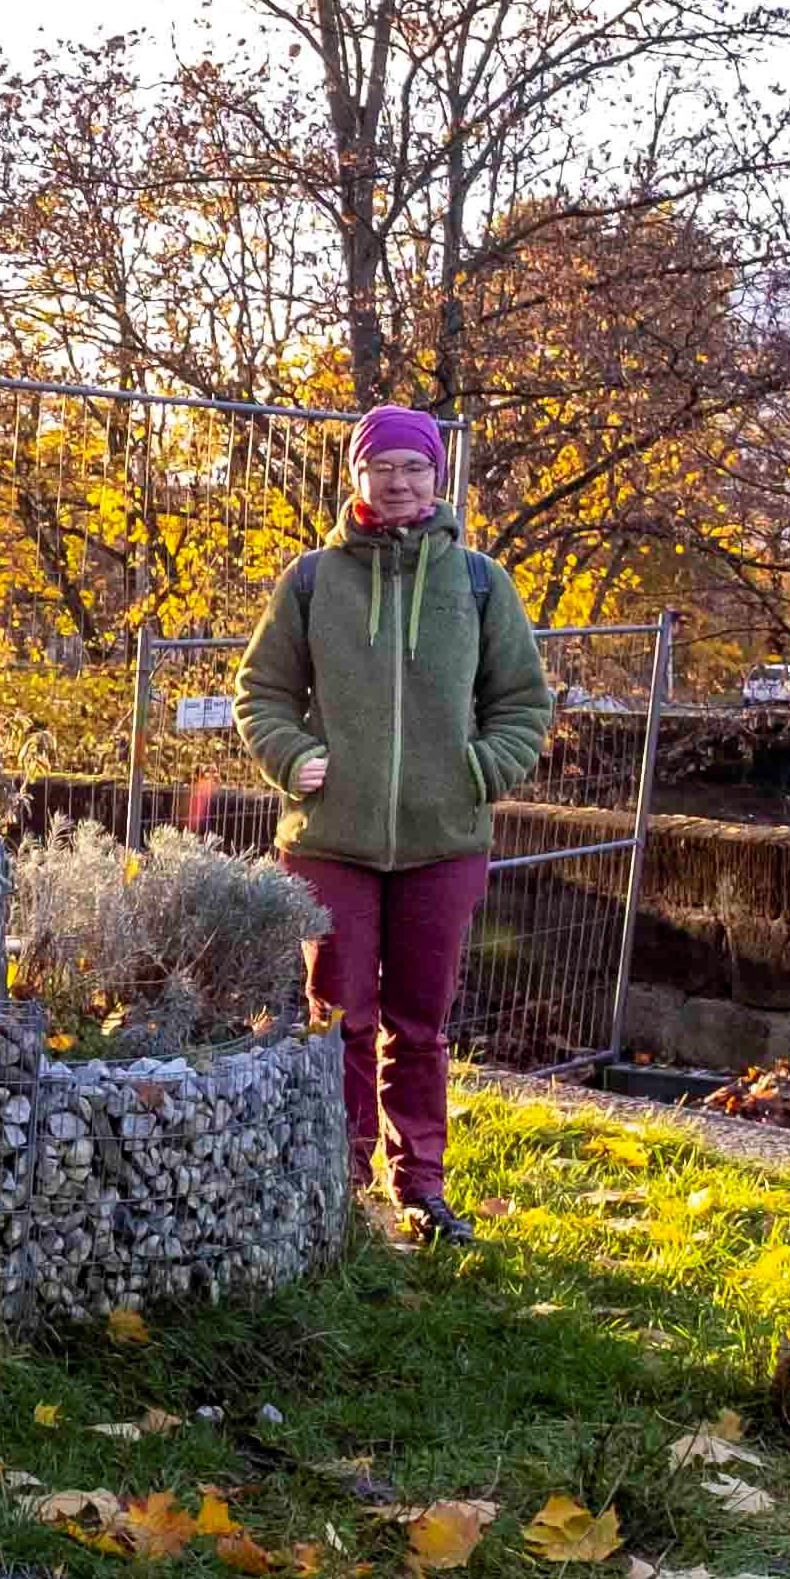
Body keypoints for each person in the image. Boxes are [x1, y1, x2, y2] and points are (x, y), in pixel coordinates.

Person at [233, 407, 548, 1232]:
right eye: (383, 467)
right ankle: (337, 1181)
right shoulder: (311, 580)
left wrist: (482, 769)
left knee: (420, 1025)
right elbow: (261, 691)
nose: (399, 483)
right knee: (340, 1019)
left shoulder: (480, 583)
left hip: (445, 841)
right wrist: (289, 755)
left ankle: (421, 1188)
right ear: (357, 476)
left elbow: (523, 703)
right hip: (330, 840)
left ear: (438, 476)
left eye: (415, 467)